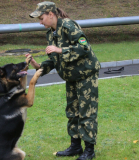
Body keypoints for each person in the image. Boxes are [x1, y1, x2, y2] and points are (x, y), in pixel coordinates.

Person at [26, 1, 100, 160]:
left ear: (51, 14)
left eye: (41, 18)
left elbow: (84, 46)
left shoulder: (68, 26)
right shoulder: (51, 33)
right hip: (71, 77)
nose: (40, 22)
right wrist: (37, 65)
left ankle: (89, 150)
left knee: (86, 112)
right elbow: (54, 60)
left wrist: (60, 49)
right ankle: (75, 146)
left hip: (86, 74)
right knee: (72, 112)